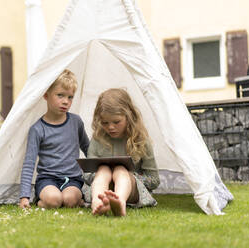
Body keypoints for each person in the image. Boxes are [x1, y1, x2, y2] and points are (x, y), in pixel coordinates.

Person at [19, 69, 89, 209]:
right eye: (60, 95)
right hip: (47, 180)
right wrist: (24, 197)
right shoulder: (37, 129)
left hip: (72, 179)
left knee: (69, 200)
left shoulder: (76, 122)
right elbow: (29, 163)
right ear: (46, 95)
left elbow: (88, 149)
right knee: (54, 200)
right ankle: (40, 200)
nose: (66, 102)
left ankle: (76, 201)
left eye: (70, 97)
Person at [86, 88, 160, 216]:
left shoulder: (140, 140)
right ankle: (97, 202)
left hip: (131, 190)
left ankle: (119, 201)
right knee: (103, 169)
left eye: (116, 122)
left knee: (120, 169)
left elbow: (154, 180)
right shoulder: (98, 138)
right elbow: (87, 175)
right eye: (105, 123)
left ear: (129, 116)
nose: (110, 127)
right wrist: (106, 173)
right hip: (103, 187)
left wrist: (131, 175)